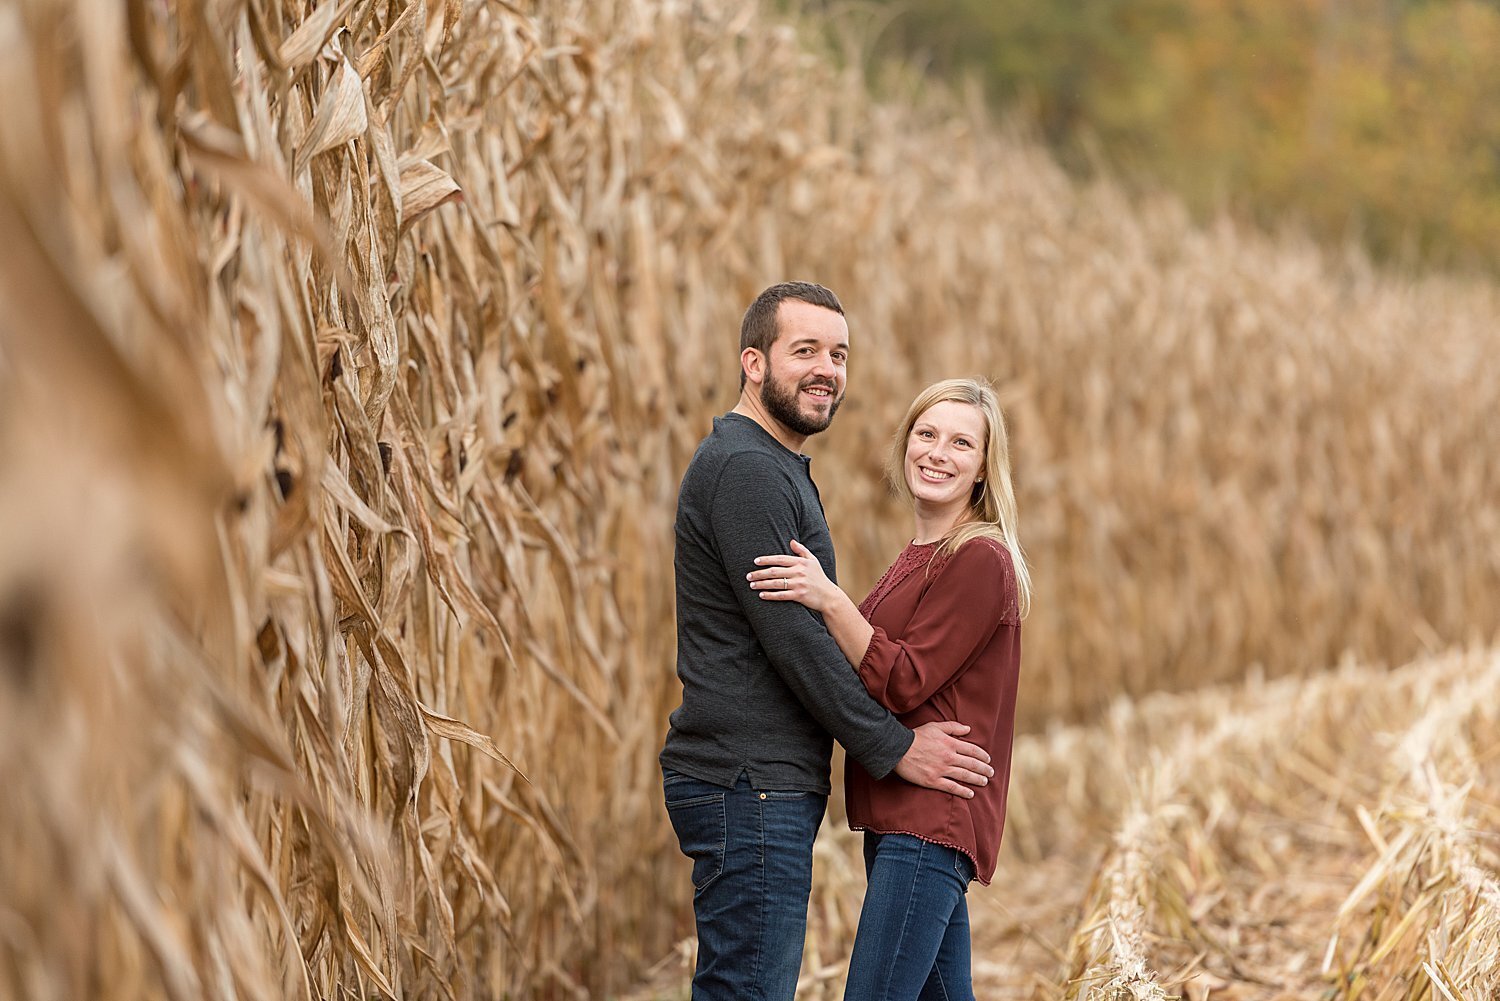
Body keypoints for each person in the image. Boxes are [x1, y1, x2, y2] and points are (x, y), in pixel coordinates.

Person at [660, 284, 997, 1001]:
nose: (827, 369)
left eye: (839, 354)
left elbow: (825, 637)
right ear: (753, 362)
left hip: (760, 779)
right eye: (805, 350)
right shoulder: (749, 470)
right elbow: (797, 646)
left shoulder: (774, 467)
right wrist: (895, 746)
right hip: (746, 779)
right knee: (746, 989)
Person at [747, 377, 1031, 1001]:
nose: (938, 453)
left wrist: (826, 597)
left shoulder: (979, 559)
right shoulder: (920, 555)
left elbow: (902, 679)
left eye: (961, 443)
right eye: (926, 434)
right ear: (904, 445)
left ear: (984, 468)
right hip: (903, 815)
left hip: (931, 820)